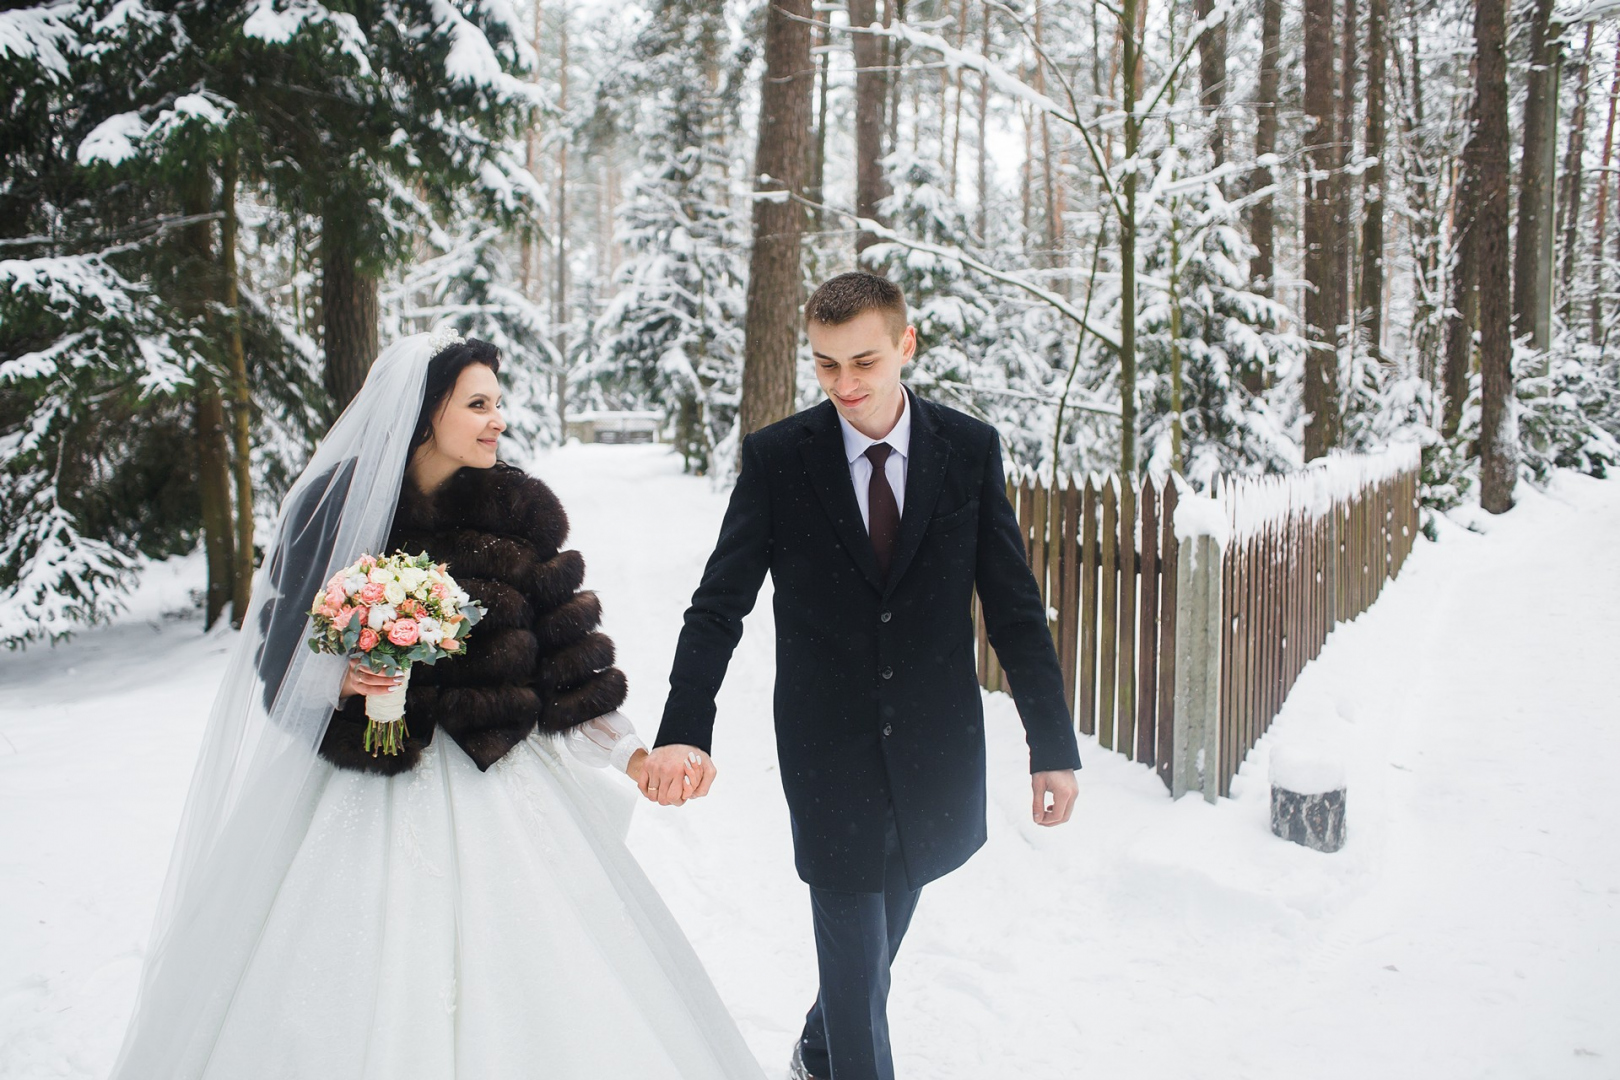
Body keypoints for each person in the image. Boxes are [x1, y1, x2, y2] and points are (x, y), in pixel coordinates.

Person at [106, 329, 765, 1080]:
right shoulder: (335, 509)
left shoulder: (521, 513)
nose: (498, 420)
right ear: (425, 414)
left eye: (499, 403)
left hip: (499, 788)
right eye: (478, 404)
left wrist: (634, 754)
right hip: (358, 785)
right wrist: (338, 679)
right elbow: (278, 650)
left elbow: (567, 665)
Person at [642, 272, 1083, 1080]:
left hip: (935, 746)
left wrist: (1051, 743)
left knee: (874, 948)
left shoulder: (969, 450)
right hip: (828, 750)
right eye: (825, 366)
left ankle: (816, 1049)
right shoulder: (779, 460)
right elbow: (718, 606)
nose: (845, 385)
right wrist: (683, 727)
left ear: (905, 346)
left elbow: (1014, 608)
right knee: (853, 953)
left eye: (863, 363)